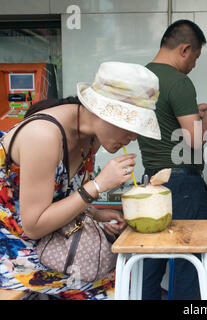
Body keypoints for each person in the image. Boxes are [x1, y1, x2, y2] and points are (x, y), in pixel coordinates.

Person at [0, 61, 161, 300]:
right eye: (130, 125)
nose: (133, 137)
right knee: (109, 288)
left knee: (124, 275)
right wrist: (97, 186)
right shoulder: (43, 135)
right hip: (14, 249)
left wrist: (96, 214)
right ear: (103, 111)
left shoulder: (90, 138)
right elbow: (33, 226)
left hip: (50, 241)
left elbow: (61, 197)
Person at [138, 19, 207, 300]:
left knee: (149, 263)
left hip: (150, 181)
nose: (194, 65)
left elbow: (164, 122)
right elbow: (195, 139)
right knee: (191, 263)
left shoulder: (142, 78)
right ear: (185, 49)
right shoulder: (179, 82)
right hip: (181, 185)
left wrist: (193, 114)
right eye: (195, 58)